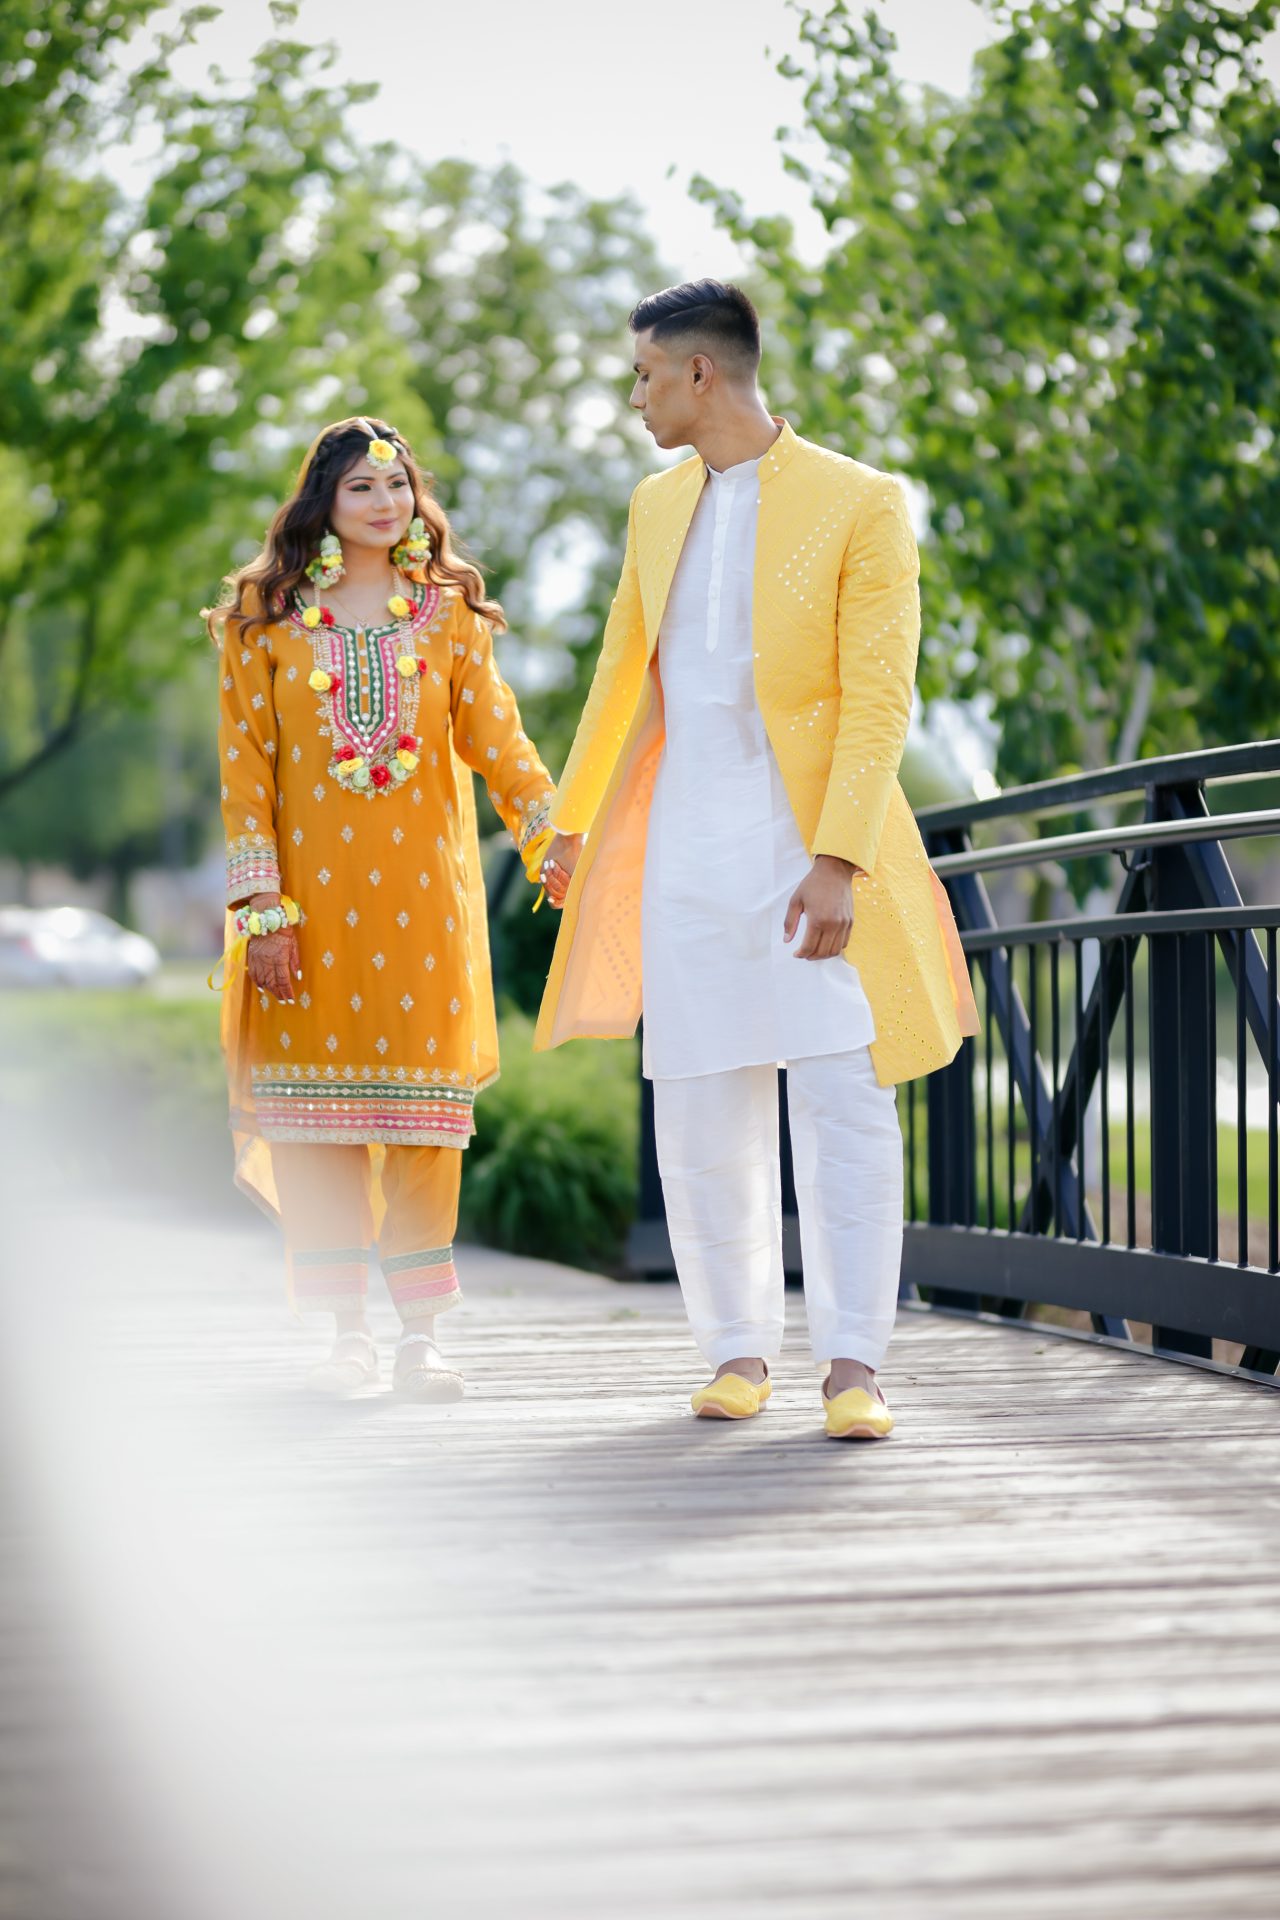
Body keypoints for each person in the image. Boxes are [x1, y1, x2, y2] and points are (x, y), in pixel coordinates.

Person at [535, 282, 978, 1439]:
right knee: (696, 1108)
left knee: (841, 1097)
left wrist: (836, 860)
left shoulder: (859, 500)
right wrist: (573, 821)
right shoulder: (652, 506)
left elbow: (878, 697)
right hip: (684, 846)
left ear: (699, 373)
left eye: (642, 375)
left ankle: (852, 1365)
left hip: (807, 847)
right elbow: (620, 673)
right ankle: (734, 1352)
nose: (634, 397)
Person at [208, 416, 555, 1399]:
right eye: (361, 486)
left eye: (397, 485)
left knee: (422, 1123)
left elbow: (501, 745)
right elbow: (245, 776)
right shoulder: (264, 619)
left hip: (424, 913)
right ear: (322, 500)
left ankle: (420, 1339)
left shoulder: (447, 615)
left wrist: (551, 836)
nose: (384, 502)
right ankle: (345, 1336)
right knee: (316, 1128)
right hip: (303, 919)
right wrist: (261, 910)